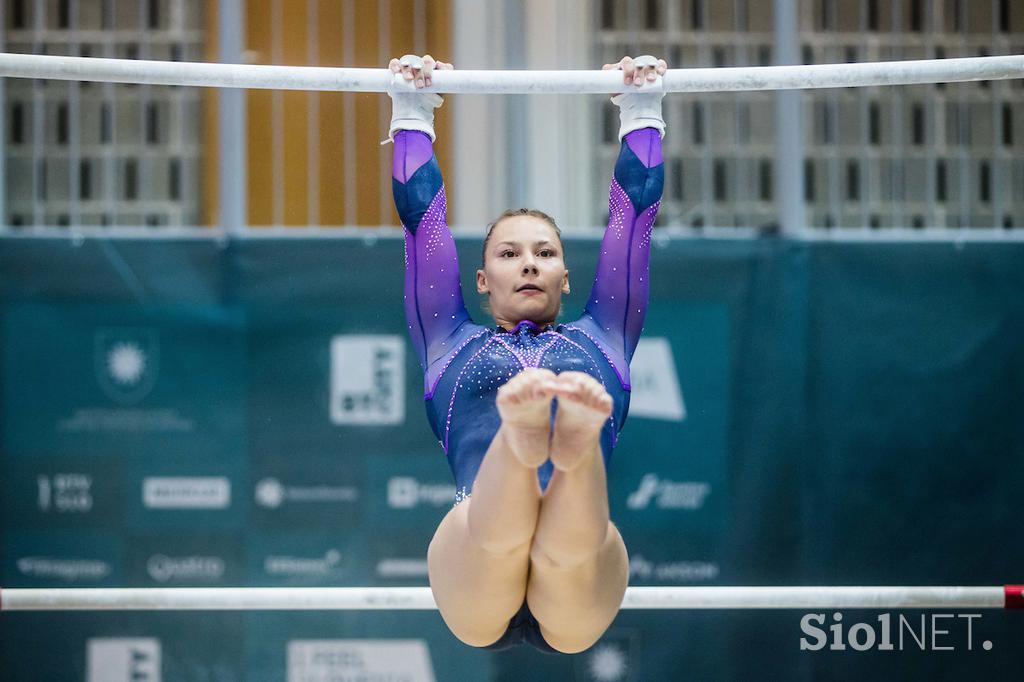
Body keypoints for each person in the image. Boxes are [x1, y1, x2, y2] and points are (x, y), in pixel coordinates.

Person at [386, 52, 666, 654]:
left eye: (544, 252)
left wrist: (642, 106)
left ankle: (560, 447)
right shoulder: (448, 340)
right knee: (502, 540)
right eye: (509, 254)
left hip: (571, 573)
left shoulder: (604, 334)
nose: (530, 261)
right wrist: (412, 109)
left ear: (568, 276)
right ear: (480, 279)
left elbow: (634, 217)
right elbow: (420, 223)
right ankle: (538, 439)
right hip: (477, 554)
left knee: (570, 551)